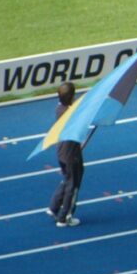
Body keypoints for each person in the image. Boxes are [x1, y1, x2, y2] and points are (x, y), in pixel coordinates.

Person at [47, 82, 84, 227]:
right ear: (72, 97)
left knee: (67, 179)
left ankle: (54, 206)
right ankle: (65, 216)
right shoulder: (71, 113)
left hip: (62, 151)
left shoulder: (59, 109)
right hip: (71, 155)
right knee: (72, 184)